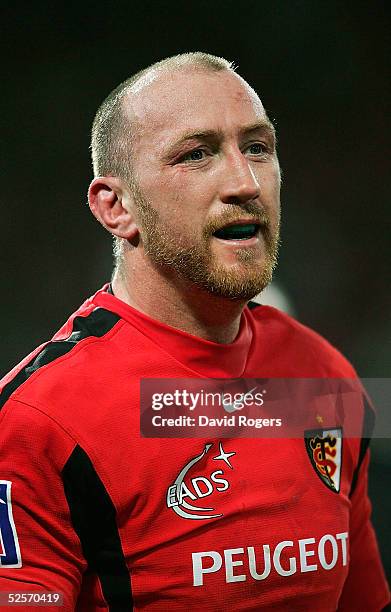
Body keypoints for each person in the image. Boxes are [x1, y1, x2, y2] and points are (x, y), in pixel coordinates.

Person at [0, 52, 389, 611]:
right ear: (116, 207)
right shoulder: (41, 420)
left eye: (257, 147)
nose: (245, 182)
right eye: (197, 154)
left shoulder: (324, 374)